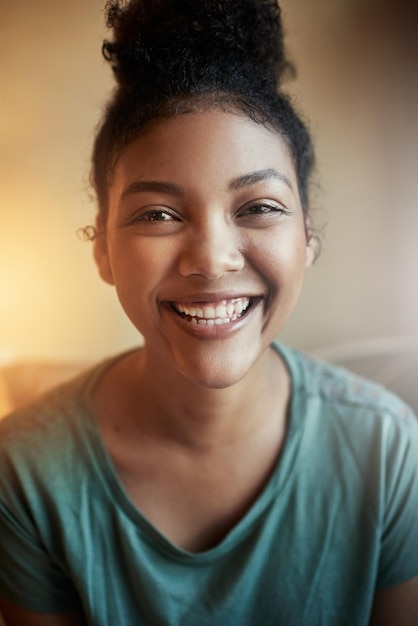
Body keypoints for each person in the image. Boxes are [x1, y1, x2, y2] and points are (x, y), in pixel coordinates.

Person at [0, 1, 417, 624]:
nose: (212, 259)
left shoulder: (385, 452)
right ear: (104, 252)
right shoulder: (25, 472)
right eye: (158, 215)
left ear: (308, 241)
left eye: (260, 207)